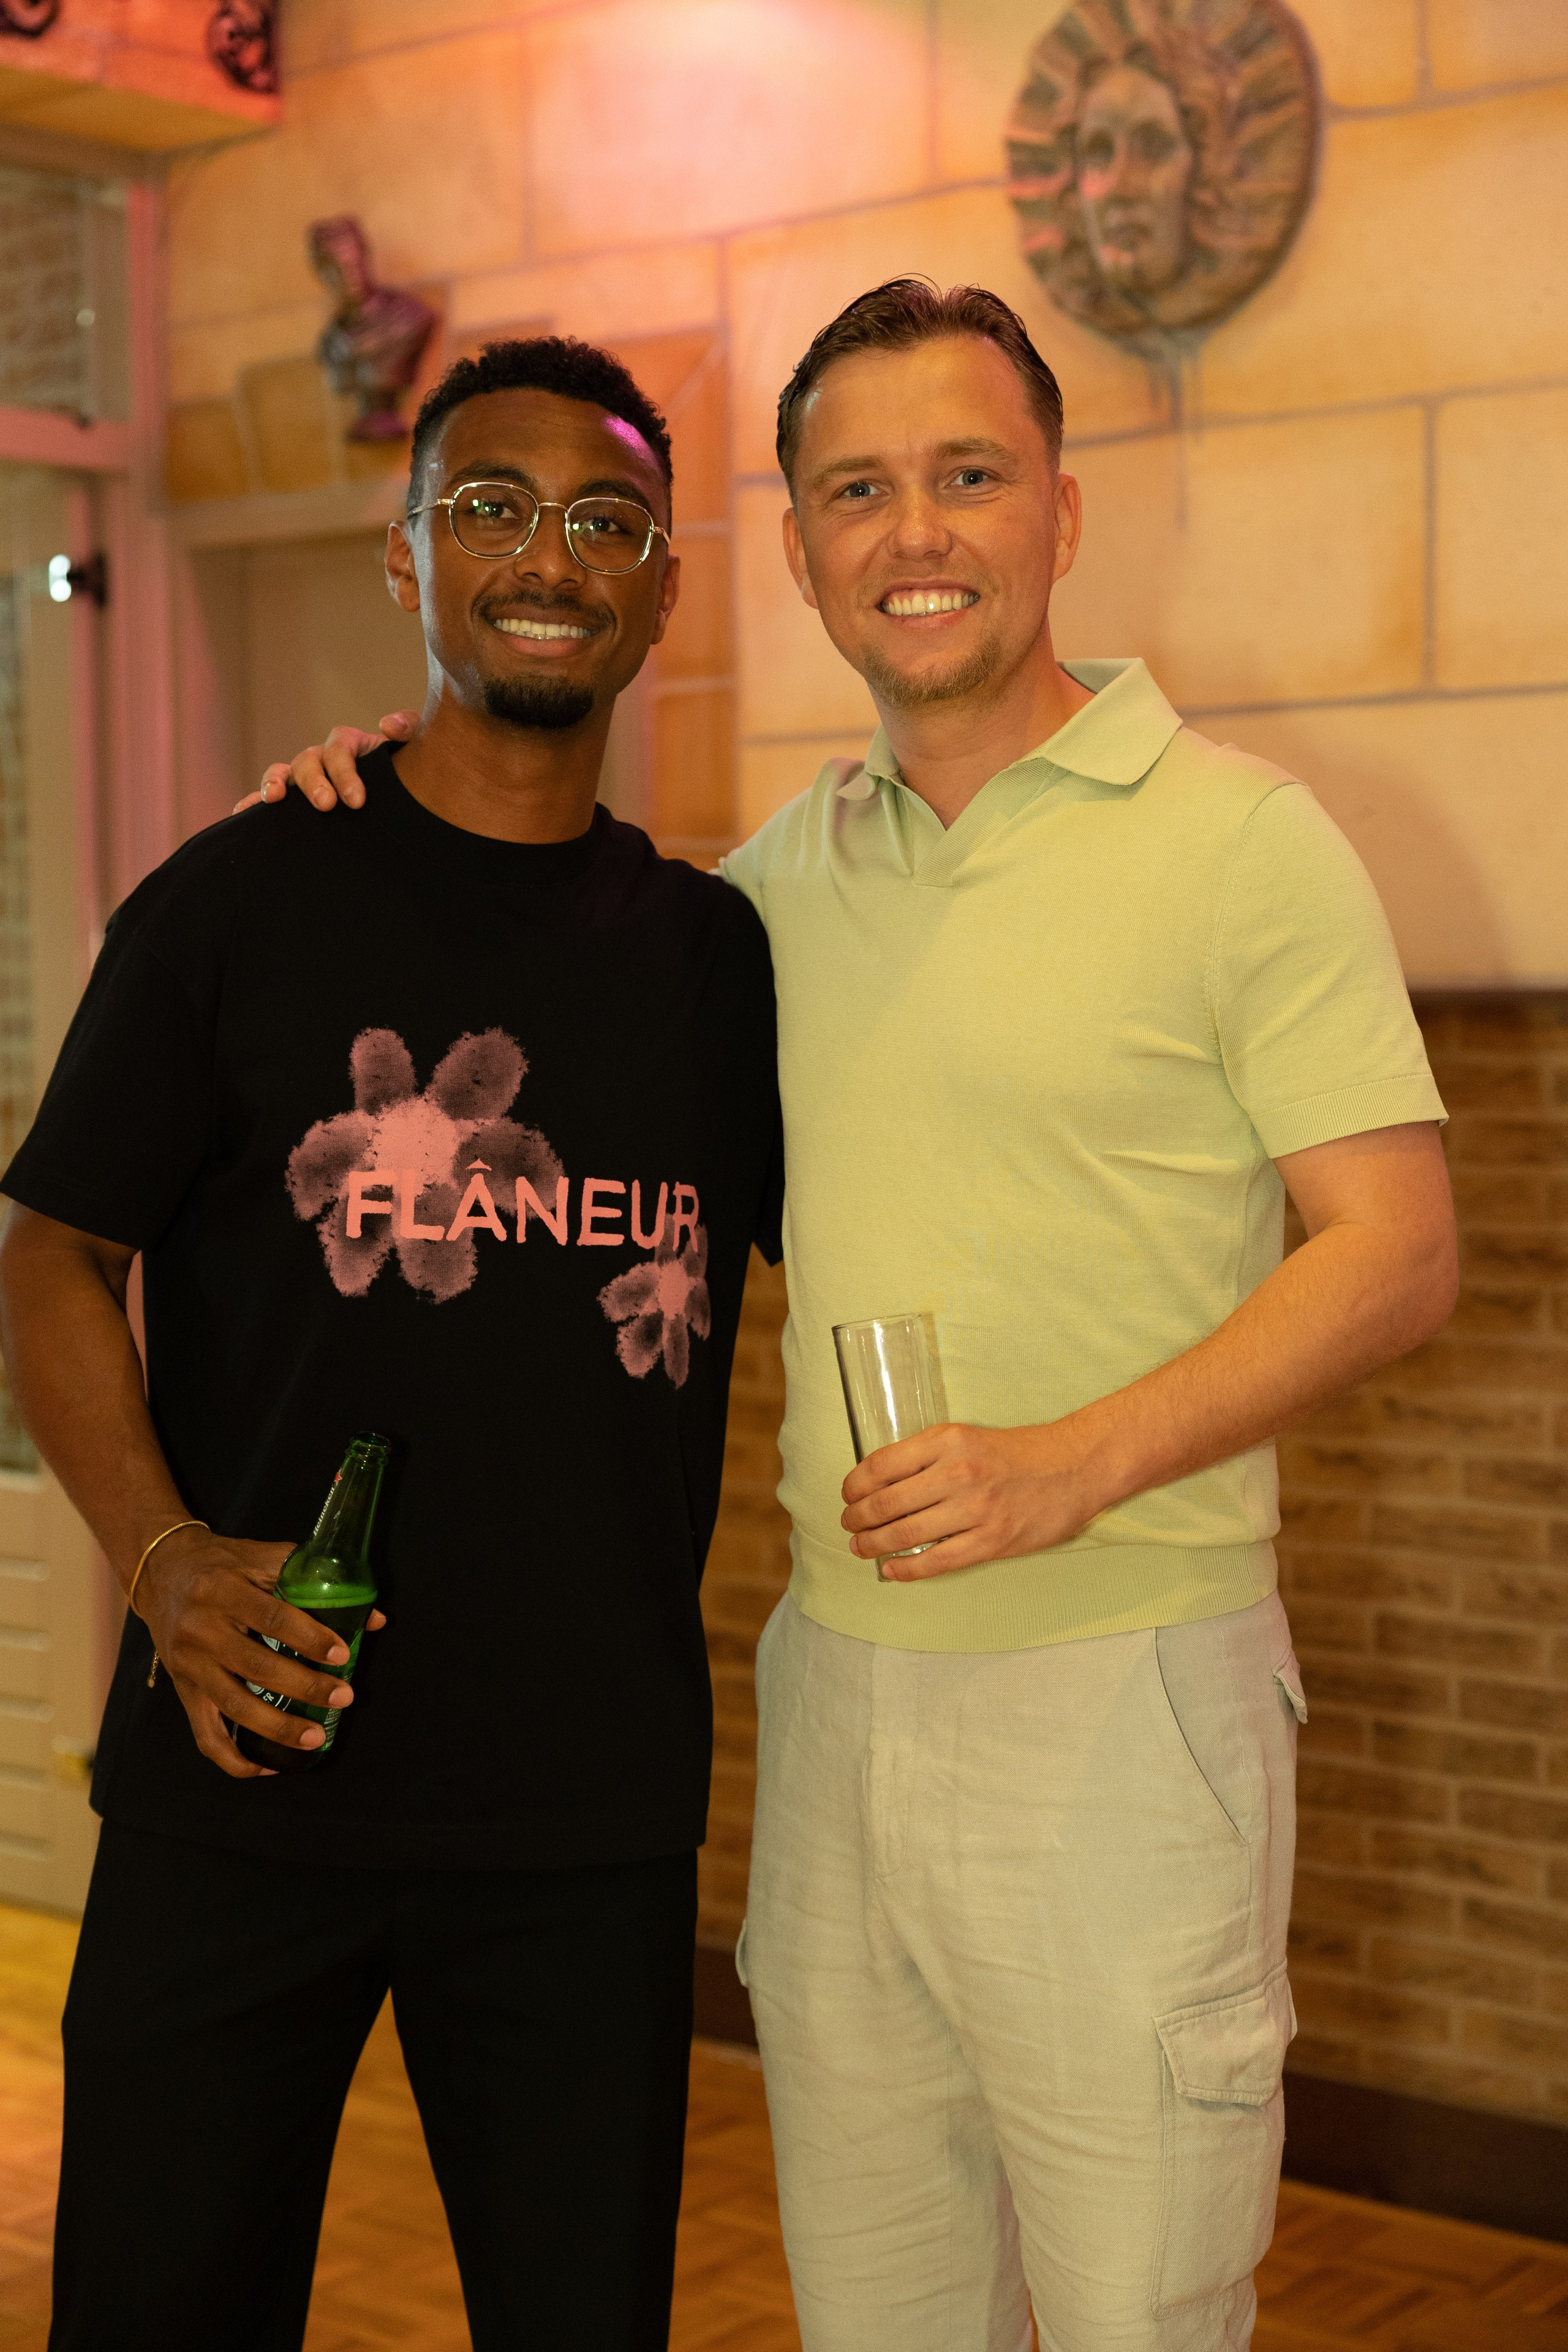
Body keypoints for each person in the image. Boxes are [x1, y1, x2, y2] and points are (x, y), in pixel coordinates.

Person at [258, 281, 1457, 2352]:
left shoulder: (1246, 843)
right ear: (799, 553)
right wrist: (383, 782)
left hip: (1124, 1705)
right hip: (829, 1712)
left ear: (1061, 515)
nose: (918, 531)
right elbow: (536, 998)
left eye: (969, 476)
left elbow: (1398, 1246)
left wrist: (1076, 1459)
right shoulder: (761, 902)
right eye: (858, 489)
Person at [0, 336, 782, 2352]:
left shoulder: (720, 966)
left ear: (663, 589)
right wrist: (165, 1567)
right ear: (406, 551)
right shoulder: (236, 904)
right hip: (241, 1779)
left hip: (580, 1827)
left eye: (609, 519)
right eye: (495, 505)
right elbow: (52, 1255)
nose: (552, 554)